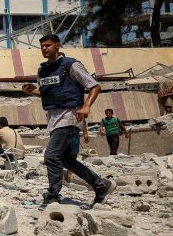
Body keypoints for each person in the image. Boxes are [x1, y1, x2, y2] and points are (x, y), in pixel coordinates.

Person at [21, 33, 115, 209]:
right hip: (53, 118)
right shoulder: (42, 70)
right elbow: (48, 93)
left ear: (58, 45)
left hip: (69, 116)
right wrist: (32, 91)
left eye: (48, 45)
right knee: (64, 158)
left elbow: (94, 86)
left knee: (51, 155)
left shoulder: (71, 65)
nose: (44, 49)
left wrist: (86, 106)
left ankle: (53, 196)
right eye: (42, 46)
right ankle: (100, 185)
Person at [64, 119, 89, 184]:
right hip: (62, 133)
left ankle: (70, 172)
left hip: (74, 133)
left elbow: (82, 119)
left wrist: (85, 133)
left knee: (74, 153)